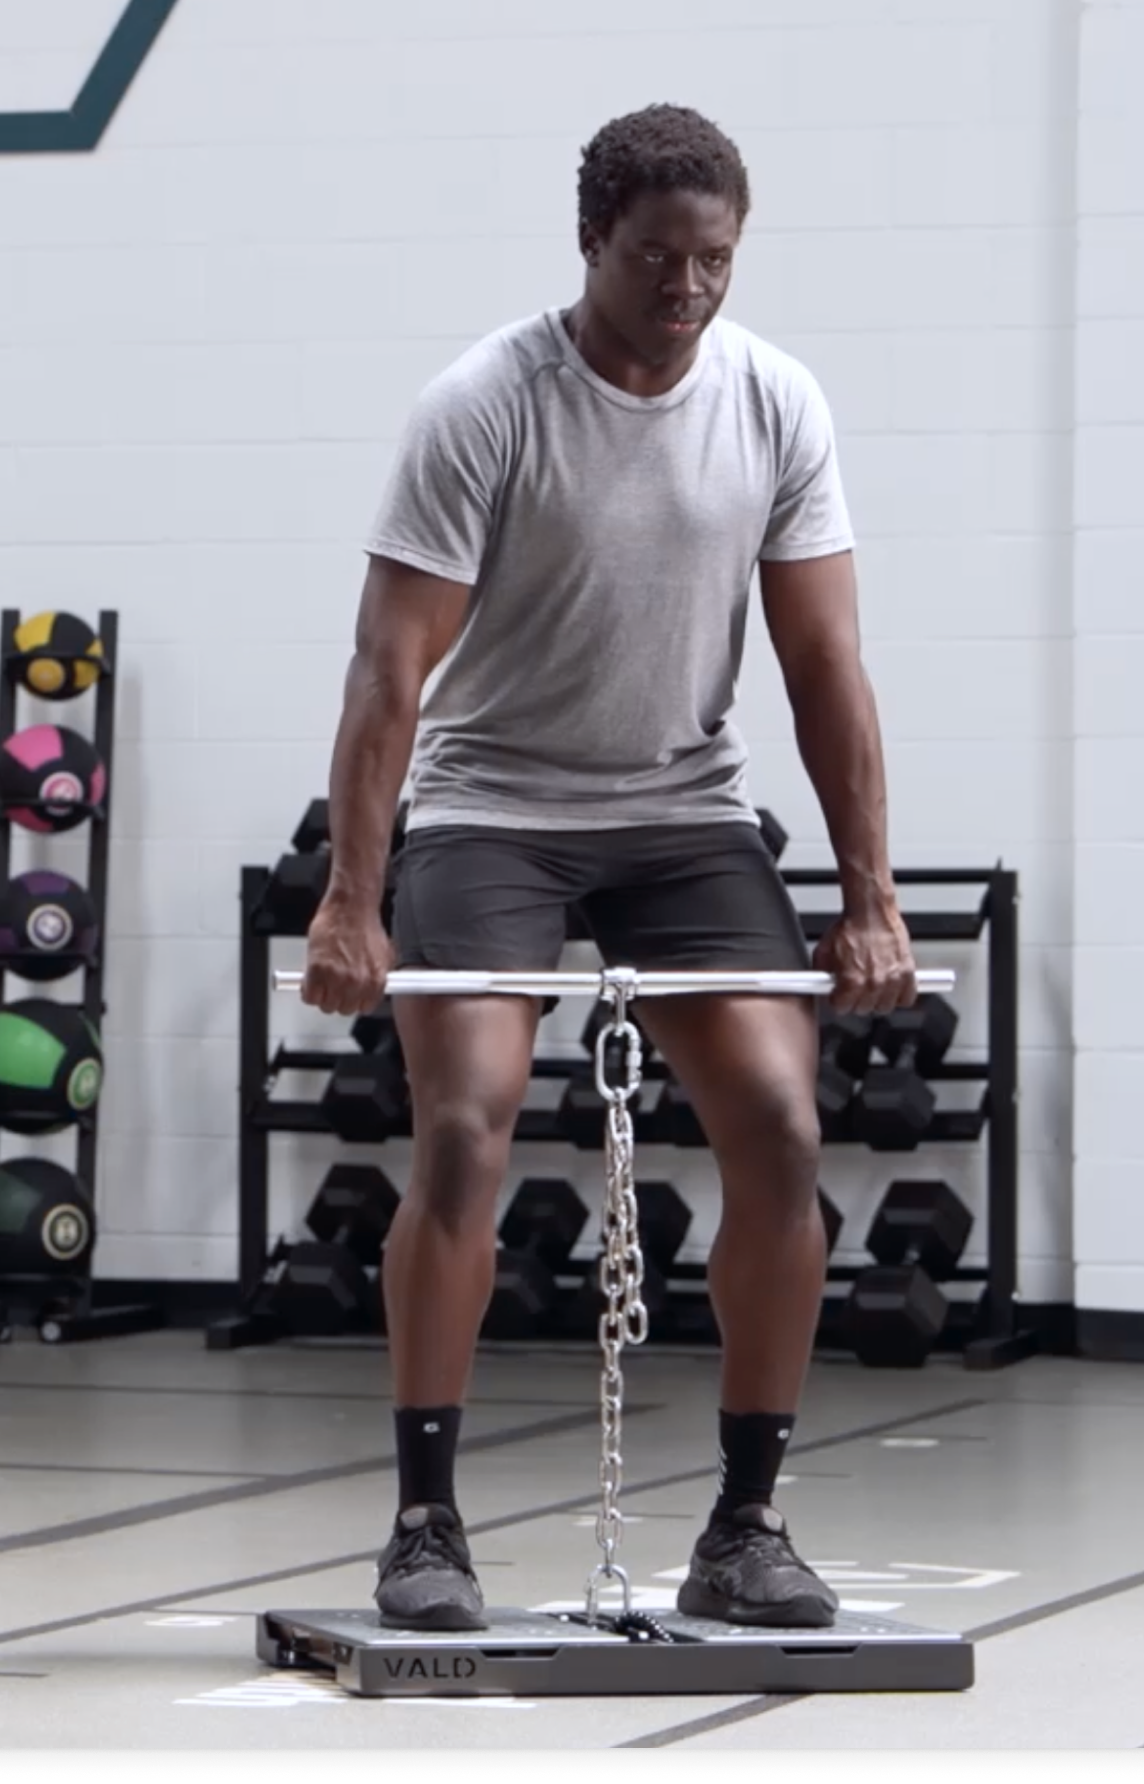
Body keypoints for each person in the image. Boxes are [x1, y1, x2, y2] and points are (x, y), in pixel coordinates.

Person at [301, 104, 918, 1632]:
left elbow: (826, 665)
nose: (686, 288)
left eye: (714, 259)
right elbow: (389, 670)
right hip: (491, 806)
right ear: (593, 241)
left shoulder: (775, 403)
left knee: (780, 1129)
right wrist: (353, 901)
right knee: (465, 1127)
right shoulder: (485, 405)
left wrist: (872, 898)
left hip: (684, 809)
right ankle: (426, 1526)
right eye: (656, 257)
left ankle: (746, 1526)